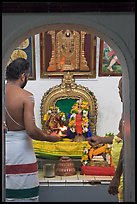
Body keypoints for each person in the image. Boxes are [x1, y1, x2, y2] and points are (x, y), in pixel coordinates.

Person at [4, 58, 61, 202]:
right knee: (25, 197)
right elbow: (31, 130)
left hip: (5, 150)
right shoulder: (26, 96)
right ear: (23, 76)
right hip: (21, 152)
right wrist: (49, 137)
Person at [88, 77, 123, 202]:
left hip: (124, 170)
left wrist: (116, 176)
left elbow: (127, 146)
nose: (118, 92)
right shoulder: (127, 109)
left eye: (120, 88)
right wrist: (101, 139)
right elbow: (122, 137)